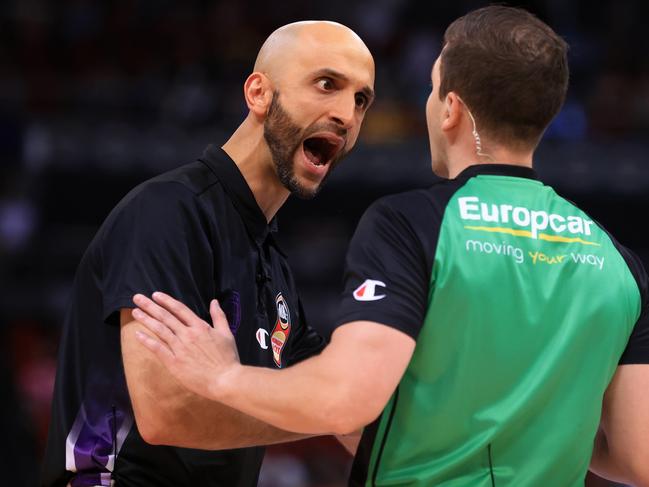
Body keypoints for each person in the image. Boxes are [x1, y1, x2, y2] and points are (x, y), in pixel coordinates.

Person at [132, 6, 649, 487]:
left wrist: (223, 376)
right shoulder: (618, 263)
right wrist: (532, 420)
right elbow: (635, 457)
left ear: (450, 108)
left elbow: (345, 400)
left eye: (429, 89)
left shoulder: (414, 224)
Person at [41, 21, 375, 487]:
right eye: (327, 84)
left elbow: (348, 406)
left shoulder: (272, 264)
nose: (347, 114)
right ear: (259, 94)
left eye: (361, 99)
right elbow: (165, 415)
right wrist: (319, 410)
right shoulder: (166, 213)